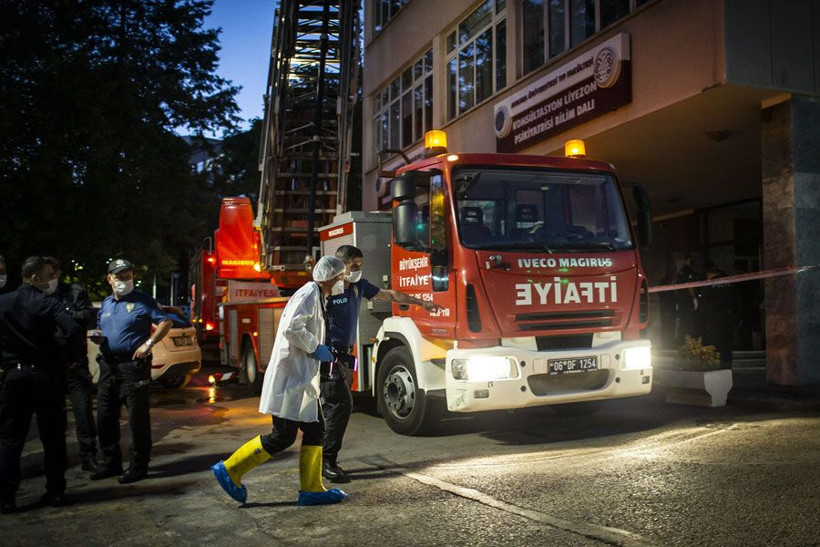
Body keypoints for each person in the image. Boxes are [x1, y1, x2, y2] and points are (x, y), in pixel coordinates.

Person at [211, 255, 350, 506]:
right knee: (283, 436)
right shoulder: (308, 294)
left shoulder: (318, 296)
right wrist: (315, 347)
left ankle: (312, 489)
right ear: (330, 277)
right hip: (290, 378)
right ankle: (230, 469)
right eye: (340, 277)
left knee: (316, 429)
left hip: (301, 378)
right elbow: (290, 328)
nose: (342, 281)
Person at [321, 245, 443, 483]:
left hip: (344, 355)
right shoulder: (327, 290)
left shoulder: (359, 286)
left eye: (360, 264)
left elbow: (391, 295)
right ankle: (327, 461)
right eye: (353, 265)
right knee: (340, 406)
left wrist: (422, 303)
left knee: (333, 407)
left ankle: (323, 458)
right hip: (328, 354)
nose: (358, 269)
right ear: (340, 265)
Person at [0, 256, 83, 513]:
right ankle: (55, 491)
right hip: (45, 376)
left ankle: (7, 498)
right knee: (53, 436)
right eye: (48, 275)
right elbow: (74, 329)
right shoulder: (48, 303)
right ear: (35, 277)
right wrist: (66, 357)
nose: (52, 280)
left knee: (11, 439)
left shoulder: (3, 302)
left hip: (13, 376)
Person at [90, 259, 172, 484]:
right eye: (120, 276)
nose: (125, 280)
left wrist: (149, 344)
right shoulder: (106, 304)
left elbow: (165, 322)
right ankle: (111, 463)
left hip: (132, 368)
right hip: (108, 366)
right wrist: (98, 335)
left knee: (137, 419)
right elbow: (102, 327)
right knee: (105, 417)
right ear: (110, 279)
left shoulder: (143, 300)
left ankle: (139, 465)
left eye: (128, 275)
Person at [44, 257, 99, 472]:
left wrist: (61, 312)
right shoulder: (37, 295)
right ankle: (56, 460)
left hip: (75, 363)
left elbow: (83, 319)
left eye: (51, 275)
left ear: (58, 274)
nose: (48, 280)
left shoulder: (74, 292)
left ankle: (88, 455)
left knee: (83, 412)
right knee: (53, 417)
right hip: (49, 365)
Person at [700, 266, 739, 369]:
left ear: (710, 274)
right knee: (727, 343)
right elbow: (737, 299)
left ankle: (717, 365)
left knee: (715, 343)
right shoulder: (730, 282)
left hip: (714, 318)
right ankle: (727, 365)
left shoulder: (709, 284)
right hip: (729, 317)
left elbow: (702, 303)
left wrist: (704, 315)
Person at [675, 253, 700, 344]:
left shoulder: (681, 271)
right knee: (689, 322)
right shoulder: (689, 270)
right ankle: (688, 342)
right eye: (691, 260)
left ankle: (681, 341)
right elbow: (690, 286)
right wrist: (694, 298)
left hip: (681, 300)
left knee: (683, 321)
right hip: (687, 300)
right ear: (687, 260)